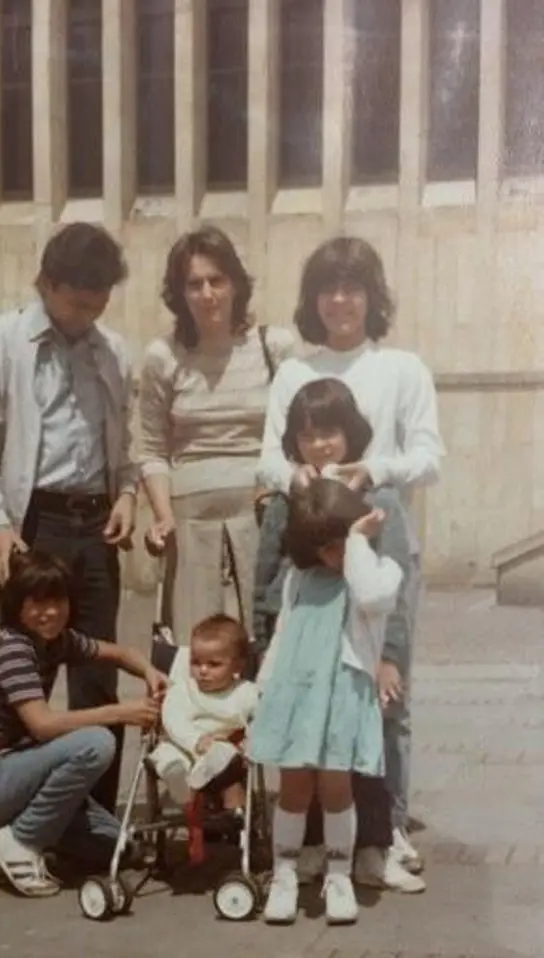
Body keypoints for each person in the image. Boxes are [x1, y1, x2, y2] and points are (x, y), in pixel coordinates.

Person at [257, 235, 445, 873]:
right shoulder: (293, 371)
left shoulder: (402, 369)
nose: (341, 300)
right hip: (309, 546)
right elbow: (268, 458)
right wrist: (301, 482)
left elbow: (428, 456)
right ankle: (315, 837)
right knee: (310, 683)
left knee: (385, 686)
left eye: (353, 287)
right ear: (313, 299)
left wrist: (373, 470)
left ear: (372, 295)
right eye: (328, 288)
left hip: (379, 531)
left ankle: (385, 830)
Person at [0, 222, 139, 813]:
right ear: (46, 284)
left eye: (100, 302)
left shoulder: (115, 351)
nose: (88, 314)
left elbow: (129, 444)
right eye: (78, 301)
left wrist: (129, 494)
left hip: (97, 524)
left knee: (96, 674)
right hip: (32, 528)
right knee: (24, 680)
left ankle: (94, 825)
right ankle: (10, 809)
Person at [253, 378, 425, 894]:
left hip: (360, 647)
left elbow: (395, 583)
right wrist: (263, 644)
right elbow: (266, 575)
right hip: (304, 644)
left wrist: (390, 657)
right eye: (307, 436)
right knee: (305, 750)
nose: (320, 445)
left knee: (362, 745)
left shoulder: (379, 498)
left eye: (329, 432)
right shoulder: (287, 499)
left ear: (351, 434)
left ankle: (373, 847)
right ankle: (309, 850)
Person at [0, 550, 165, 899]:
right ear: (17, 606)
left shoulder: (56, 641)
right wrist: (121, 712)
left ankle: (7, 831)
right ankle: (19, 840)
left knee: (122, 848)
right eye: (37, 603)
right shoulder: (13, 648)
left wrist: (151, 672)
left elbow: (121, 653)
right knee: (96, 743)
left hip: (22, 769)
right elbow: (43, 726)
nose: (49, 612)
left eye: (58, 600)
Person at [249, 476, 402, 925]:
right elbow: (281, 637)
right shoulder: (299, 579)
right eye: (328, 547)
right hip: (297, 693)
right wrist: (263, 686)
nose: (335, 556)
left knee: (337, 788)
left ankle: (339, 875)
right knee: (294, 789)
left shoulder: (376, 572)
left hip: (342, 695)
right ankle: (284, 874)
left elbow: (373, 595)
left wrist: (357, 542)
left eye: (343, 543)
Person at [139, 224, 296, 641]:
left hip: (262, 516)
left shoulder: (274, 347)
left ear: (236, 285)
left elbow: (295, 438)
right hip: (190, 523)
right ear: (179, 293)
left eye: (217, 280)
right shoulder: (162, 356)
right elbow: (152, 449)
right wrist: (163, 517)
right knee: (198, 648)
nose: (207, 294)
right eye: (194, 284)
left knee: (264, 638)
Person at [149, 614, 257, 863]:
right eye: (196, 662)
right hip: (181, 745)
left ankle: (202, 772)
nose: (203, 670)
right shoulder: (183, 690)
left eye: (214, 664)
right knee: (166, 757)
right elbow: (173, 719)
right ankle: (180, 782)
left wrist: (250, 738)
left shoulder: (246, 694)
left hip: (221, 753)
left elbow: (261, 719)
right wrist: (195, 740)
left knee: (224, 752)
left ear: (237, 666)